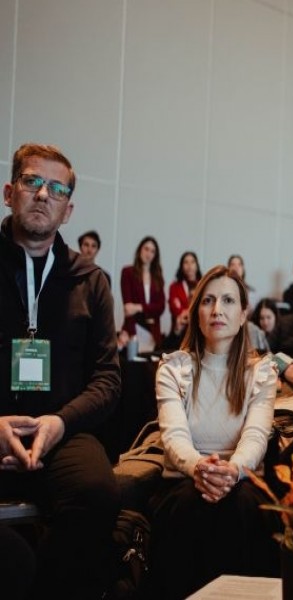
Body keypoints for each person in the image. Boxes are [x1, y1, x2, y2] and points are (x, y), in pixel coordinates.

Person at [0, 142, 121, 598]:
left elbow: (108, 379)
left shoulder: (91, 281)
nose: (42, 194)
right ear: (9, 192)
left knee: (98, 494)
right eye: (32, 181)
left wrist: (60, 422)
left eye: (56, 188)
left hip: (62, 430)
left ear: (68, 211)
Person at [149, 265, 279, 599]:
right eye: (208, 300)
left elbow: (256, 436)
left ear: (243, 315)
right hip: (182, 480)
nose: (217, 309)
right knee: (188, 506)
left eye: (228, 301)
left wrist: (232, 470)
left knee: (243, 507)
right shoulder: (173, 368)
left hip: (243, 479)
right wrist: (200, 467)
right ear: (197, 313)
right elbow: (174, 437)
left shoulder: (261, 372)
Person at [121, 235, 166, 350]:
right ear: (140, 250)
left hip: (153, 333)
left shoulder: (158, 277)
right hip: (134, 330)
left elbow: (161, 307)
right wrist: (132, 334)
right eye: (146, 249)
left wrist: (139, 307)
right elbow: (128, 309)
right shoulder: (128, 272)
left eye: (152, 251)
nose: (148, 254)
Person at [166, 251, 202, 348]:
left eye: (192, 262)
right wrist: (188, 313)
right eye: (186, 262)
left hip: (199, 333)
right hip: (179, 333)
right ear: (181, 266)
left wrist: (188, 313)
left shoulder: (203, 285)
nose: (189, 266)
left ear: (197, 265)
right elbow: (174, 308)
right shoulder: (174, 286)